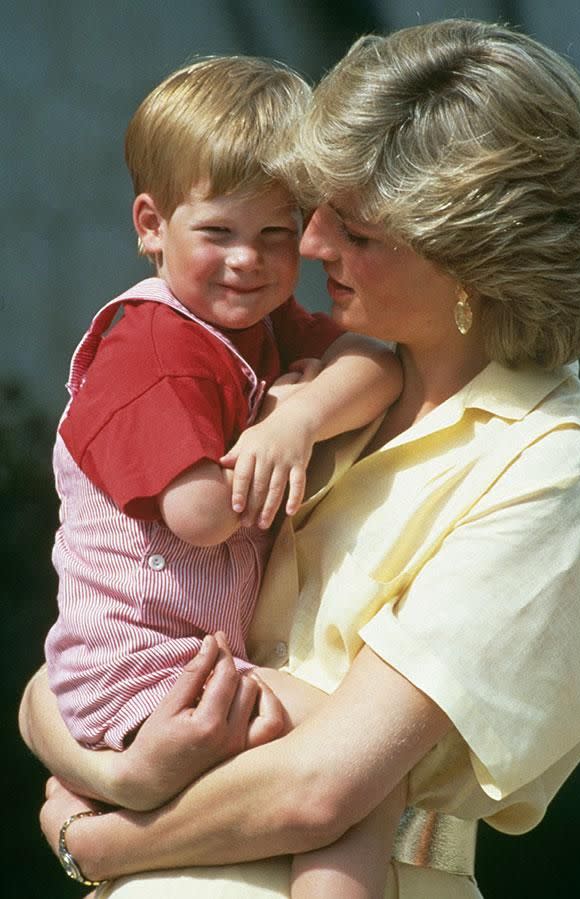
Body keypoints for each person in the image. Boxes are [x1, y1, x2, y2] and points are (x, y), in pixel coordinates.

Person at [21, 18, 580, 899]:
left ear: (467, 260)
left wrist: (101, 839)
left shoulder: (553, 470)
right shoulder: (307, 383)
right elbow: (67, 672)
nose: (306, 248)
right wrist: (117, 778)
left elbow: (326, 784)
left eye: (356, 231)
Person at [39, 54, 404, 898]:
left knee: (343, 775)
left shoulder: (261, 329)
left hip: (184, 664)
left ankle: (101, 829)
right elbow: (201, 512)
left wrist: (298, 413)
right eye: (220, 233)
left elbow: (379, 361)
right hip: (140, 671)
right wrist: (277, 429)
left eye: (278, 234)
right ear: (152, 223)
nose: (250, 261)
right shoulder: (152, 347)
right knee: (356, 764)